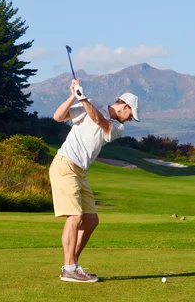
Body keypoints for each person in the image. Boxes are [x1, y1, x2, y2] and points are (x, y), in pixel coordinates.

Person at [49, 78, 140, 283]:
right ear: (125, 106)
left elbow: (101, 121)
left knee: (91, 220)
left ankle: (72, 265)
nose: (131, 119)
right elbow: (58, 116)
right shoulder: (91, 103)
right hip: (65, 164)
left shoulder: (118, 127)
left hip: (81, 172)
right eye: (131, 114)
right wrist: (74, 95)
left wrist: (84, 99)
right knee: (74, 216)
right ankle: (70, 268)